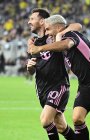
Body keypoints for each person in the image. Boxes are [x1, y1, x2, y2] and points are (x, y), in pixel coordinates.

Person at [27, 8, 82, 140]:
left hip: (58, 85)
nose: (29, 22)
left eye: (32, 19)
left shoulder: (54, 35)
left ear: (42, 21)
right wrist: (30, 67)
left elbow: (78, 26)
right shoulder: (33, 43)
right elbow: (34, 69)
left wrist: (61, 32)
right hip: (42, 89)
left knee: (45, 120)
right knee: (61, 127)